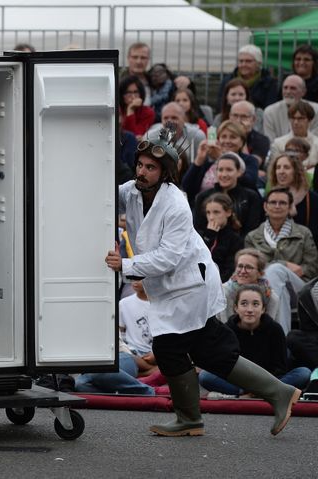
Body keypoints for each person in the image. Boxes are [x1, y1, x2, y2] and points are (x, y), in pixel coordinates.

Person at [106, 125, 301, 437]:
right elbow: (105, 197)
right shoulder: (132, 190)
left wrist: (125, 264)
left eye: (150, 167)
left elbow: (168, 256)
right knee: (203, 351)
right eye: (140, 164)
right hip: (173, 289)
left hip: (189, 287)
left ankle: (196, 417)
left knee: (176, 347)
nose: (142, 171)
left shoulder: (176, 203)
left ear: (165, 171)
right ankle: (267, 396)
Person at [199, 285, 311, 396]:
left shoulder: (275, 329)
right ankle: (260, 394)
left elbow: (279, 368)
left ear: (263, 309)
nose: (250, 310)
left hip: (270, 381)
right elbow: (225, 366)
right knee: (205, 376)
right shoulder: (228, 330)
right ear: (236, 308)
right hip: (240, 383)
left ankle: (256, 393)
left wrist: (261, 385)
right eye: (244, 304)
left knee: (304, 373)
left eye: (255, 304)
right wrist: (249, 386)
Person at [245, 187, 318, 333]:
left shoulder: (303, 233)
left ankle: (268, 329)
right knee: (280, 291)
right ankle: (282, 341)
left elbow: (312, 268)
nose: (277, 206)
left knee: (277, 271)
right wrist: (283, 264)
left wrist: (281, 266)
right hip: (263, 289)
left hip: (299, 289)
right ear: (265, 206)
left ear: (290, 207)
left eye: (282, 203)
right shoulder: (252, 237)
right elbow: (249, 269)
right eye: (273, 202)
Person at [182, 120, 259, 205]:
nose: (227, 141)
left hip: (238, 205)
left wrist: (221, 157)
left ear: (242, 142)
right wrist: (199, 160)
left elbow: (249, 182)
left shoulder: (249, 160)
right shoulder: (209, 161)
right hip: (204, 207)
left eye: (233, 137)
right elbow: (187, 187)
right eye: (223, 137)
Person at [192, 152, 263, 238]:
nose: (224, 174)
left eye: (229, 170)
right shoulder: (203, 197)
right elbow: (198, 228)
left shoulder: (251, 197)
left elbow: (252, 230)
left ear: (239, 172)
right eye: (220, 170)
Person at [267, 152, 318, 246]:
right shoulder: (268, 199)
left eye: (286, 167)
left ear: (296, 171)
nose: (281, 171)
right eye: (278, 167)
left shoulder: (312, 199)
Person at [220, 248, 279, 323]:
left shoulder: (270, 296)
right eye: (240, 266)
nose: (243, 271)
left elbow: (273, 327)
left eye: (248, 267)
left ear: (260, 273)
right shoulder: (224, 293)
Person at [195, 193, 243, 282]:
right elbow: (196, 260)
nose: (211, 217)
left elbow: (230, 269)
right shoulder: (199, 236)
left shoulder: (235, 240)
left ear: (228, 212)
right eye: (208, 213)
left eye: (216, 212)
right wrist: (209, 236)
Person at [217, 44, 278, 111]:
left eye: (248, 61)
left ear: (258, 63)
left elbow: (270, 108)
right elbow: (221, 105)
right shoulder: (227, 81)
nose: (244, 64)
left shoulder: (269, 83)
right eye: (241, 61)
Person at [262, 75, 318, 142]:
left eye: (293, 88)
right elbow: (270, 141)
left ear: (303, 92)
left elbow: (315, 141)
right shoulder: (270, 112)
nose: (288, 92)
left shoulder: (316, 110)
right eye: (285, 88)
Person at [270, 100, 318, 169]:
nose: (295, 122)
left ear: (309, 120)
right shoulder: (278, 143)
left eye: (300, 118)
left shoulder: (317, 143)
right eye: (293, 118)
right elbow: (275, 168)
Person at [229, 100, 270, 165]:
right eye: (235, 116)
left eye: (244, 117)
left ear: (253, 119)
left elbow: (252, 164)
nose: (238, 121)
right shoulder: (222, 136)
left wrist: (242, 136)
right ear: (229, 117)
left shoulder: (262, 140)